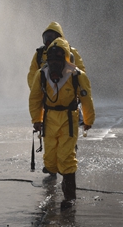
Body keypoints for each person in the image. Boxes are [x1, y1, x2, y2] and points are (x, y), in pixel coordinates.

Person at [28, 37, 95, 210]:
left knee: (66, 157)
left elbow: (86, 99)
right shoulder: (42, 74)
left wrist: (88, 120)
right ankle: (61, 176)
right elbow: (35, 98)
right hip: (49, 118)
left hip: (68, 118)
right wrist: (37, 120)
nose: (55, 63)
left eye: (59, 58)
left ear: (66, 57)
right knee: (50, 161)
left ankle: (69, 196)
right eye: (52, 59)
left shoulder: (76, 75)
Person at [27, 22, 86, 89]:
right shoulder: (39, 54)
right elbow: (32, 75)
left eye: (51, 37)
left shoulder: (71, 52)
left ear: (59, 38)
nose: (48, 41)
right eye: (46, 38)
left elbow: (81, 73)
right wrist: (37, 90)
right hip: (47, 95)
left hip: (68, 93)